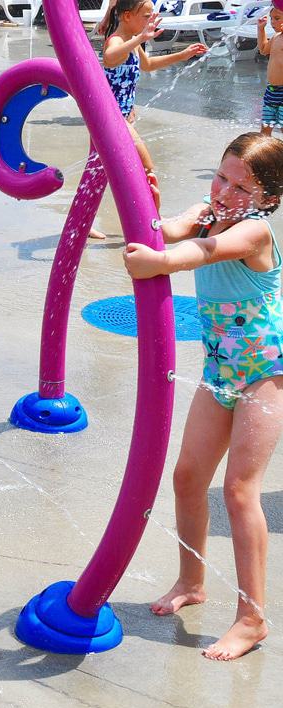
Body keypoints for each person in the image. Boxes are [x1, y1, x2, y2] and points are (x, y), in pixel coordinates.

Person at [123, 133, 283, 660]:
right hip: (220, 369)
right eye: (222, 176)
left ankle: (252, 618)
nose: (226, 192)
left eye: (243, 186)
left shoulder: (255, 233)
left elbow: (201, 252)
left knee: (239, 489)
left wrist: (161, 260)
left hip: (266, 373)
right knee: (188, 476)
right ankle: (191, 583)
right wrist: (148, 211)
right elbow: (169, 231)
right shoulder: (207, 210)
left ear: (268, 197)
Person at [102, 0, 206, 212]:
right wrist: (141, 38)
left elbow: (147, 65)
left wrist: (183, 55)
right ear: (127, 16)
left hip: (121, 117)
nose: (150, 21)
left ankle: (85, 219)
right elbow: (109, 58)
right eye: (146, 16)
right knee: (147, 167)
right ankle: (148, 219)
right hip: (111, 119)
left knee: (98, 174)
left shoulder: (132, 41)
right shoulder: (116, 40)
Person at [258, 2, 283, 136]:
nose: (273, 22)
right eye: (271, 18)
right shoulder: (275, 37)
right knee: (265, 129)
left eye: (277, 18)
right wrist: (261, 29)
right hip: (271, 91)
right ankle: (264, 155)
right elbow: (263, 49)